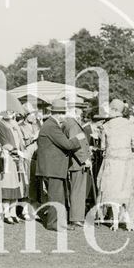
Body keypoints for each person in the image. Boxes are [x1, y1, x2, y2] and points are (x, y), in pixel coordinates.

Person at [36, 99, 85, 231]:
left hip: (54, 167)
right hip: (52, 168)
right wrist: (79, 138)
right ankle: (53, 224)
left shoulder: (50, 125)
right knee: (56, 197)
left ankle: (59, 223)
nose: (65, 117)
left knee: (58, 197)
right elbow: (67, 144)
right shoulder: (52, 126)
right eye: (64, 113)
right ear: (58, 114)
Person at [97, 99, 134, 231]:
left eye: (110, 109)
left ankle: (115, 222)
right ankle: (128, 222)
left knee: (112, 191)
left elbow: (103, 147)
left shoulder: (106, 126)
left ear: (115, 110)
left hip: (111, 163)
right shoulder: (131, 125)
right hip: (127, 163)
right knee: (127, 191)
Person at [0, 110, 26, 224]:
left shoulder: (14, 124)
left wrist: (17, 129)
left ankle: (13, 212)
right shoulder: (0, 126)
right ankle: (6, 213)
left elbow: (21, 142)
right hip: (8, 158)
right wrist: (15, 151)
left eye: (12, 111)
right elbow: (5, 143)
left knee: (17, 186)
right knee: (8, 186)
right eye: (8, 111)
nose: (10, 113)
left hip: (17, 158)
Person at [64, 105, 92, 227]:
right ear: (74, 111)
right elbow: (76, 144)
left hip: (75, 161)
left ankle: (76, 216)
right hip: (77, 163)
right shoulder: (73, 125)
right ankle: (76, 217)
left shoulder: (70, 123)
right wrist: (85, 159)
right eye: (80, 110)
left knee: (76, 189)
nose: (81, 114)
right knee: (77, 190)